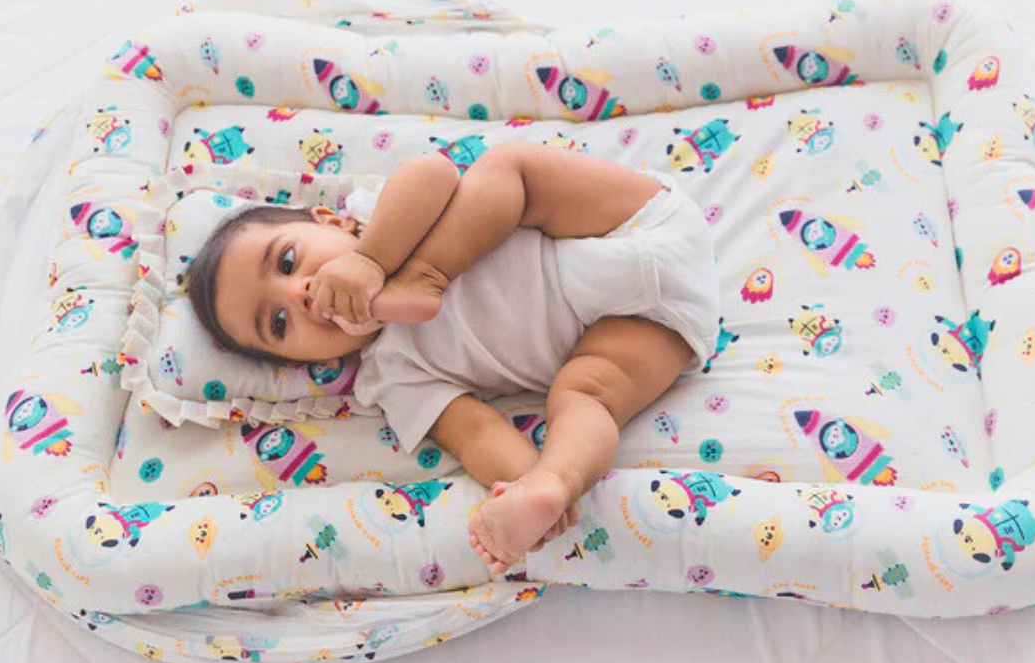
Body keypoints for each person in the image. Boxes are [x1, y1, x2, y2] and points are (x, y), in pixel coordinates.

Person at [187, 140, 721, 574]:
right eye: (278, 324)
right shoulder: (391, 376)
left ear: (330, 219)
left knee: (512, 170)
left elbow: (433, 170)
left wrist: (374, 260)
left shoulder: (381, 220)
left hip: (636, 221)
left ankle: (427, 276)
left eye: (286, 260)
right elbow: (476, 433)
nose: (299, 294)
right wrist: (529, 485)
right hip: (651, 327)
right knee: (584, 395)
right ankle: (558, 481)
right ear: (299, 362)